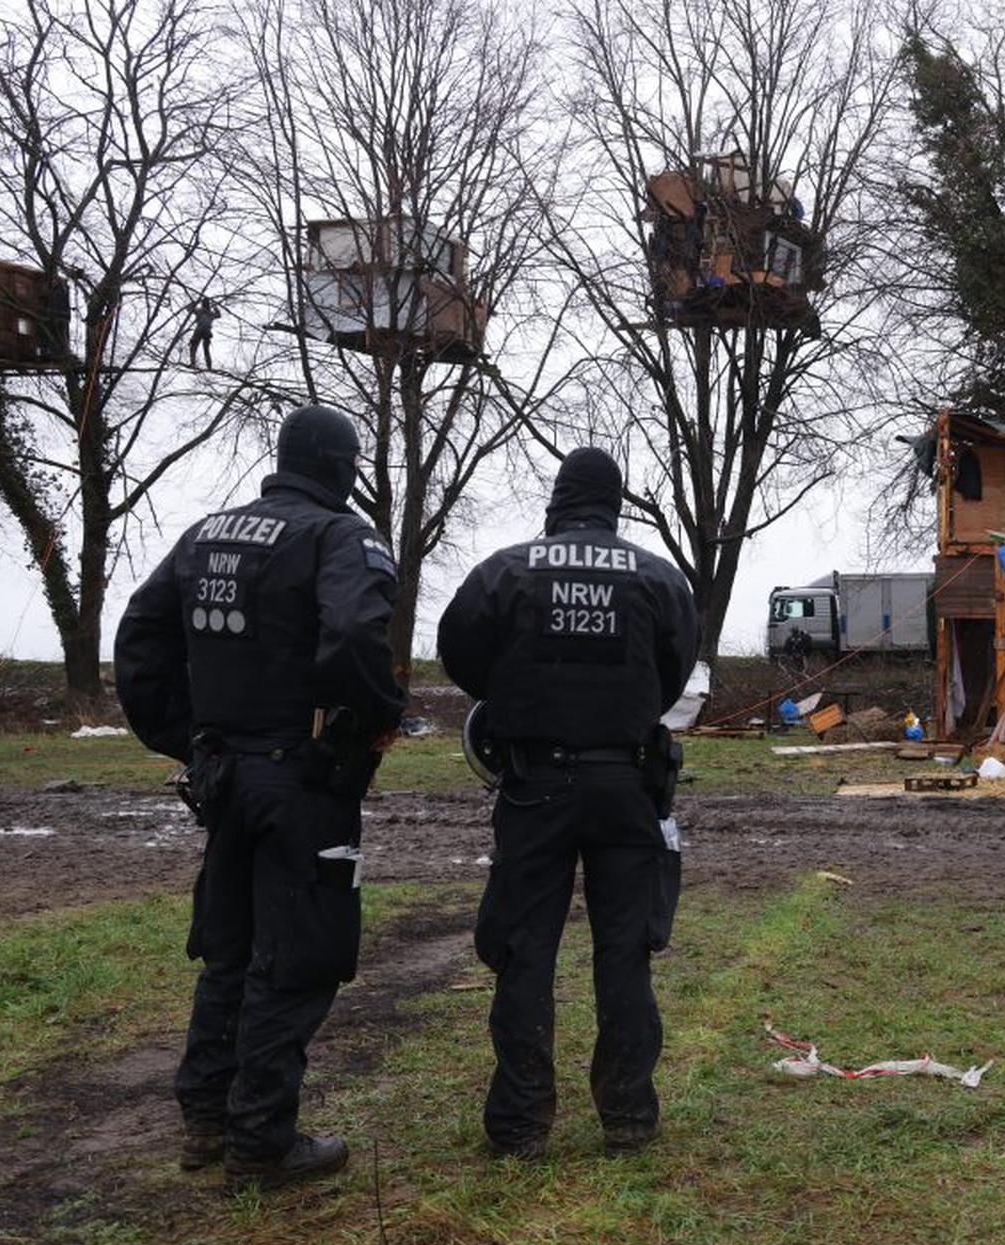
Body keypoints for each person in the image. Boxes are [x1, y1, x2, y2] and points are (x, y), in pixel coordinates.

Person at [115, 404, 406, 1191]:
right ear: (342, 467)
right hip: (302, 780)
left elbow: (140, 639)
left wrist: (189, 737)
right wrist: (380, 716)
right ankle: (261, 1141)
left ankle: (206, 1118)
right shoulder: (340, 538)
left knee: (229, 946)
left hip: (226, 776)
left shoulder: (206, 533)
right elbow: (352, 635)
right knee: (299, 954)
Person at [437, 447, 698, 1160]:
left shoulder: (505, 569)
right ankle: (628, 1117)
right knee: (625, 953)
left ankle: (520, 1124)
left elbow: (458, 654)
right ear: (616, 503)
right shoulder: (656, 576)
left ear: (557, 499)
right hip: (628, 786)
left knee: (524, 953)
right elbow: (675, 671)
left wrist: (520, 692)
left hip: (534, 785)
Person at [187, 296, 222, 369]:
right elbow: (218, 315)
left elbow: (189, 308)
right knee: (204, 349)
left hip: (201, 330)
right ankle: (207, 366)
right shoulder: (208, 313)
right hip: (205, 331)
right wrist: (215, 306)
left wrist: (196, 301)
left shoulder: (201, 311)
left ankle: (194, 363)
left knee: (195, 347)